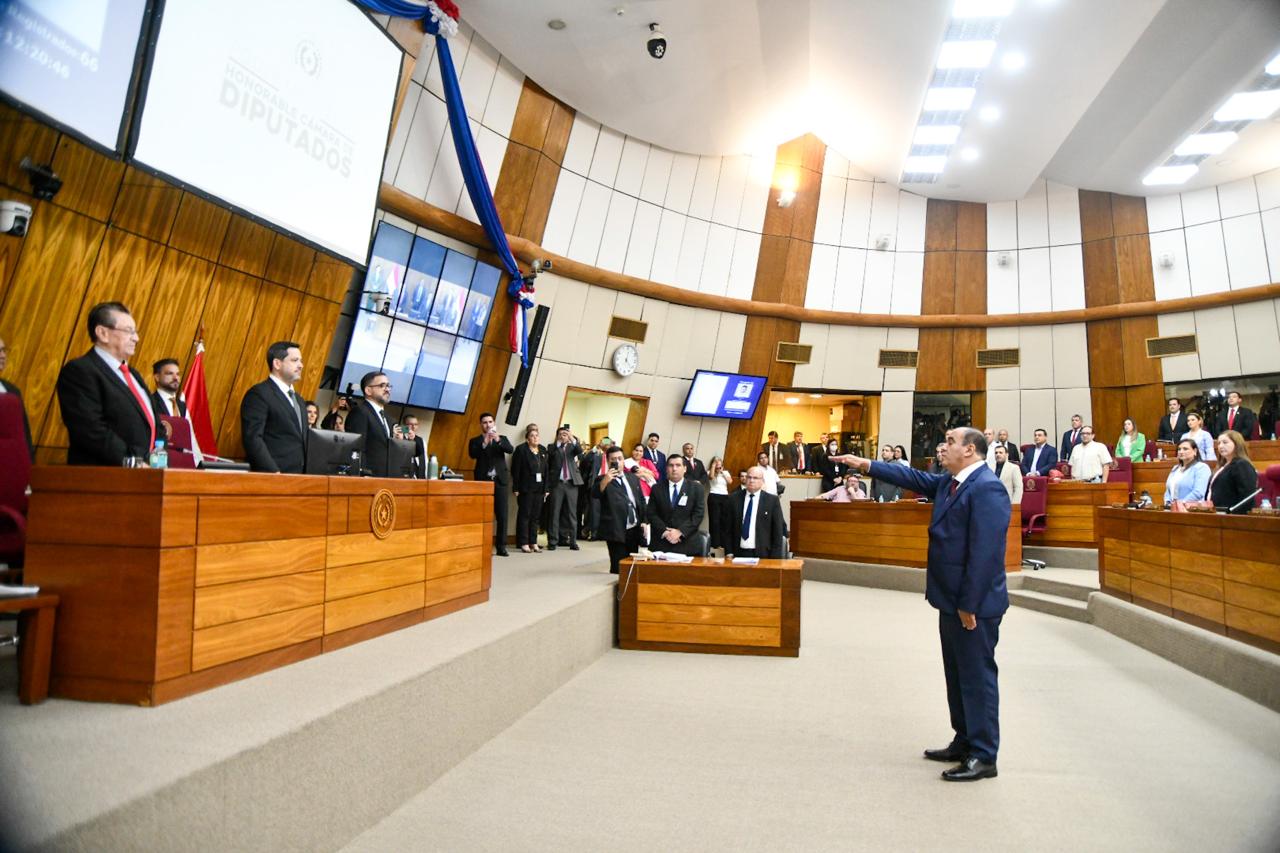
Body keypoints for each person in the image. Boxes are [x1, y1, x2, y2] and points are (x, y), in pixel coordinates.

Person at [834, 427, 1009, 782]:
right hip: (950, 599)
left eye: (949, 442)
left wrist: (969, 604)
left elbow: (985, 553)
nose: (942, 448)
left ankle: (984, 754)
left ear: (971, 450)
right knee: (957, 675)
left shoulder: (988, 487)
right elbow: (911, 475)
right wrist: (865, 463)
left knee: (977, 678)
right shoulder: (950, 482)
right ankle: (964, 739)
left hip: (972, 604)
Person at [56, 302, 157, 465]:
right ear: (103, 333)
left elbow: (155, 424)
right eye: (128, 331)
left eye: (136, 331)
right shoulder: (80, 371)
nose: (136, 338)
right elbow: (91, 430)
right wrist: (133, 463)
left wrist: (157, 460)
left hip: (146, 475)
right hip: (104, 476)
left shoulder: (134, 375)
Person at [240, 341, 307, 473]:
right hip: (272, 477)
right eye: (295, 360)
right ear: (277, 363)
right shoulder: (259, 394)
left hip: (299, 479)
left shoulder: (299, 399)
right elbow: (253, 439)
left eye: (301, 361)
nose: (301, 365)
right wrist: (273, 472)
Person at [468, 412, 513, 556]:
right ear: (481, 425)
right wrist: (485, 442)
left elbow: (509, 449)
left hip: (500, 481)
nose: (488, 425)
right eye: (485, 422)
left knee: (502, 515)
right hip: (483, 481)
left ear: (494, 423)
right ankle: (482, 545)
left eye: (490, 422)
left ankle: (501, 546)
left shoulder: (502, 438)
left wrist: (498, 439)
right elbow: (473, 454)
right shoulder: (475, 441)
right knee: (483, 516)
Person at [598, 445, 646, 574]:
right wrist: (606, 480)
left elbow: (640, 500)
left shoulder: (632, 478)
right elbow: (595, 494)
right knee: (618, 567)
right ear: (608, 462)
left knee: (631, 565)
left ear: (624, 460)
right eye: (613, 459)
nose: (617, 462)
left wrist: (644, 521)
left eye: (620, 458)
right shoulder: (602, 480)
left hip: (634, 528)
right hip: (615, 529)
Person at [646, 456, 707, 555]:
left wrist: (680, 531)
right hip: (661, 544)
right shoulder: (657, 488)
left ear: (685, 468)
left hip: (687, 544)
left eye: (678, 465)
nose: (674, 469)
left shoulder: (697, 488)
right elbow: (651, 513)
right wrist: (665, 532)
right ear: (666, 469)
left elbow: (698, 514)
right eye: (671, 465)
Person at [726, 466, 786, 559]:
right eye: (749, 477)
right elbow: (727, 528)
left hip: (763, 553)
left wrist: (775, 559)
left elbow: (777, 531)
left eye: (755, 478)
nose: (751, 480)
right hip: (738, 553)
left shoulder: (772, 501)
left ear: (762, 481)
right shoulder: (733, 498)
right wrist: (729, 551)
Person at [343, 371, 394, 477]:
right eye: (382, 385)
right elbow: (357, 448)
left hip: (386, 478)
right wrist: (364, 474)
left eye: (388, 386)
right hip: (367, 478)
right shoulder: (360, 412)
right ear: (368, 390)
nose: (387, 389)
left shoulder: (389, 418)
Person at [510, 423, 548, 553]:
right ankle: (524, 542)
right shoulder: (521, 450)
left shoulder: (543, 450)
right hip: (525, 488)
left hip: (539, 489)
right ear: (527, 439)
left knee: (535, 517)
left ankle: (533, 542)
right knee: (525, 516)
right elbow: (515, 470)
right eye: (532, 436)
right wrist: (516, 487)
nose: (535, 438)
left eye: (537, 435)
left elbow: (546, 471)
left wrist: (546, 489)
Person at [546, 425, 582, 550]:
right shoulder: (552, 447)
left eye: (565, 434)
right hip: (557, 484)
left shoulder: (573, 446)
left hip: (572, 484)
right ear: (557, 436)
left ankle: (573, 541)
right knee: (554, 512)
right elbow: (551, 455)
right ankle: (552, 541)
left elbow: (580, 451)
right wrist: (559, 443)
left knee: (572, 513)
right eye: (561, 434)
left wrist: (571, 437)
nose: (563, 436)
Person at [1207, 430, 1258, 514]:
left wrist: (1233, 514)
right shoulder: (1221, 466)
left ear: (1237, 444)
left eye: (1225, 442)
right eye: (1219, 443)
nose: (1221, 446)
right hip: (1216, 513)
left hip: (1233, 517)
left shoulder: (1242, 465)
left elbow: (1246, 497)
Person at [0, 335, 33, 460]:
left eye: (4, 350)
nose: (3, 356)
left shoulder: (12, 390)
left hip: (12, 466)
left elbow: (24, 435)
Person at [1163, 439, 1210, 505]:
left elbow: (1198, 493)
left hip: (1192, 509)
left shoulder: (1201, 467)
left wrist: (1181, 504)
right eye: (1179, 449)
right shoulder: (1175, 468)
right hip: (1173, 509)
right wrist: (1167, 502)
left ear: (1195, 451)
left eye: (1185, 449)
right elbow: (1168, 490)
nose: (1181, 452)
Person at [706, 456, 732, 553]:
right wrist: (713, 467)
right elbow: (711, 477)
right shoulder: (709, 471)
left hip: (725, 496)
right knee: (714, 520)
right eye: (716, 463)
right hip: (714, 496)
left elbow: (730, 481)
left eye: (719, 463)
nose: (718, 466)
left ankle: (723, 543)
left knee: (724, 520)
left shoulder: (725, 472)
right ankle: (714, 544)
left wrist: (722, 473)